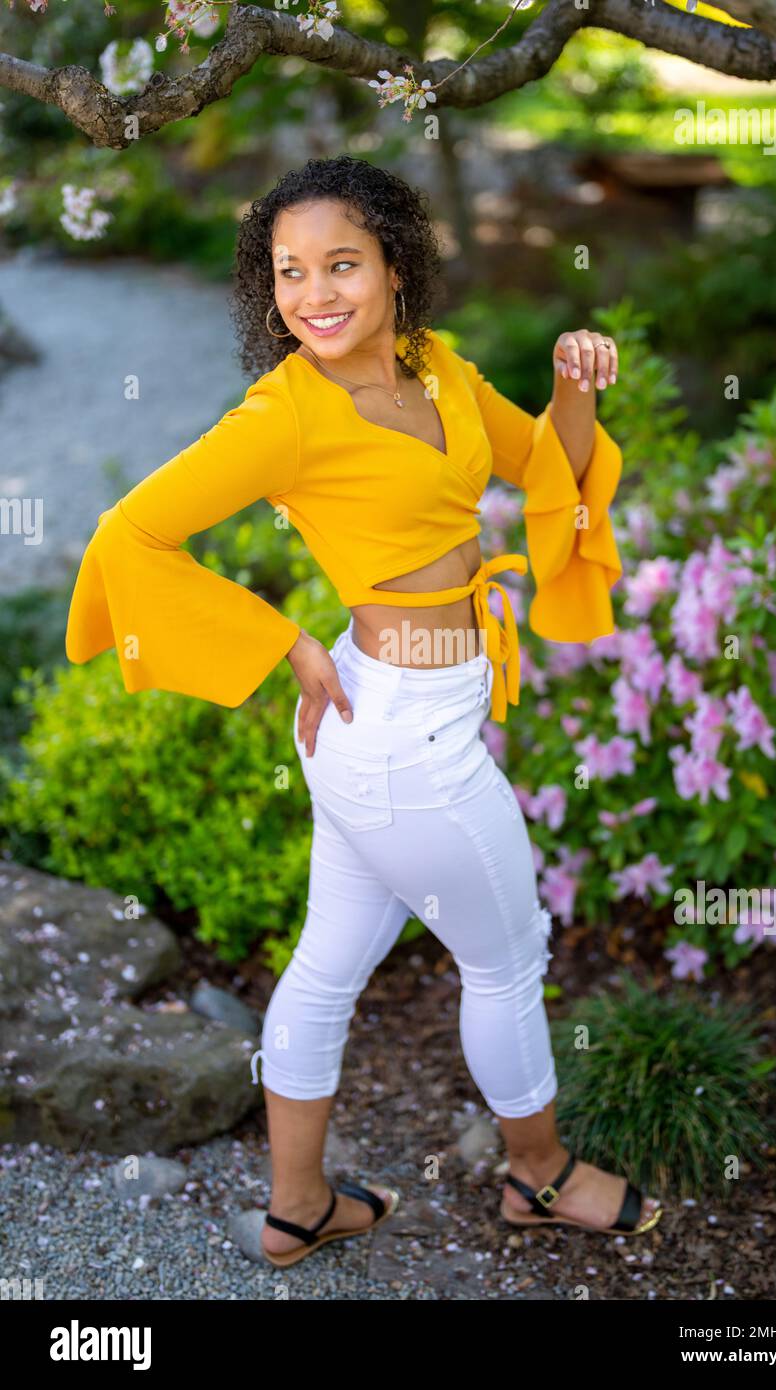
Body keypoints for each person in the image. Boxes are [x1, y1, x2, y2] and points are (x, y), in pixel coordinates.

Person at [65, 155, 663, 1271]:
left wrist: (574, 387)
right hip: (392, 735)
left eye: (340, 262)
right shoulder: (283, 413)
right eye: (288, 272)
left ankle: (299, 1208)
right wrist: (281, 643)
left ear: (395, 265)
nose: (314, 294)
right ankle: (536, 1177)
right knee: (507, 955)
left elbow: (548, 468)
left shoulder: (437, 369)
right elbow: (129, 535)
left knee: (328, 963)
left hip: (402, 721)